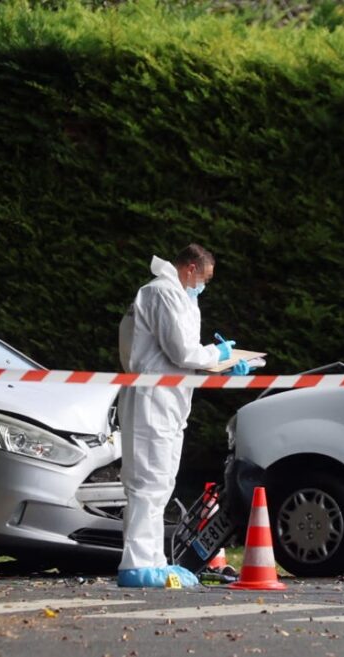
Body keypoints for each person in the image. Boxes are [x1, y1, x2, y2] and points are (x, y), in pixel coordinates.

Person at [116, 244, 251, 588]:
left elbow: (177, 359)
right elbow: (183, 351)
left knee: (159, 483)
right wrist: (217, 353)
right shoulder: (162, 292)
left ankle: (152, 561)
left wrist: (222, 367)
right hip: (153, 401)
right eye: (203, 279)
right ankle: (136, 565)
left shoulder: (175, 295)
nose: (202, 286)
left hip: (166, 401)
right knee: (147, 483)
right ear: (190, 268)